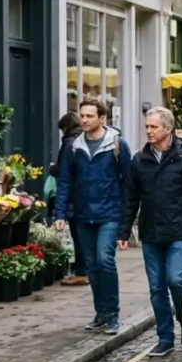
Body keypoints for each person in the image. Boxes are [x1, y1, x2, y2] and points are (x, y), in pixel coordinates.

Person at [117, 107, 182, 357]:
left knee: (176, 280)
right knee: (157, 288)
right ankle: (165, 338)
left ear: (168, 129)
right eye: (147, 126)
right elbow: (130, 199)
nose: (149, 130)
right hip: (150, 233)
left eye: (154, 126)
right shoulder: (139, 160)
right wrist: (123, 232)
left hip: (179, 230)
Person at [53, 99, 131, 335]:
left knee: (104, 259)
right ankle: (101, 313)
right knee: (91, 267)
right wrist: (60, 213)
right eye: (82, 116)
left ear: (101, 119)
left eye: (89, 116)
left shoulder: (117, 144)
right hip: (83, 214)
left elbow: (129, 181)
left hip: (110, 213)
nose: (84, 120)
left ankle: (114, 314)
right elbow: (65, 181)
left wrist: (129, 218)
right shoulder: (74, 147)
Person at [51, 112, 88, 287]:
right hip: (85, 195)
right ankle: (85, 271)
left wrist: (52, 170)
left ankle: (82, 273)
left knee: (77, 235)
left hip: (73, 197)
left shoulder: (68, 142)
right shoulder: (83, 139)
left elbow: (62, 171)